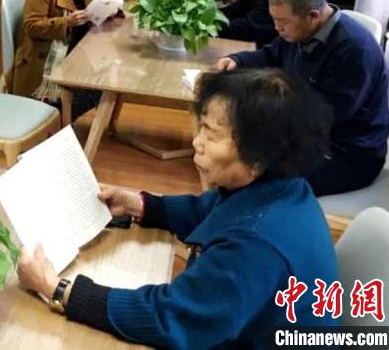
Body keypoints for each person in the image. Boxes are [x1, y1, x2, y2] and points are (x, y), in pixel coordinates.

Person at [17, 69, 338, 349]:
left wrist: (57, 289)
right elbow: (208, 210)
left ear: (258, 157)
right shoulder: (281, 187)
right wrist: (139, 205)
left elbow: (172, 317)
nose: (197, 141)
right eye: (201, 126)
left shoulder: (254, 246)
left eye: (211, 134)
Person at [217, 0, 389, 196]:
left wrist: (264, 114)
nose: (277, 28)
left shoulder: (356, 50)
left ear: (313, 16)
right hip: (308, 135)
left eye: (283, 22)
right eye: (274, 19)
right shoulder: (300, 32)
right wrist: (237, 60)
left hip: (346, 154)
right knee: (235, 152)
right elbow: (271, 55)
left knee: (248, 173)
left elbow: (327, 116)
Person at [8, 0, 118, 120]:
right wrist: (67, 22)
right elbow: (32, 26)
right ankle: (58, 122)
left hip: (75, 56)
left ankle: (61, 120)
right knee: (93, 89)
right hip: (44, 66)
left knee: (107, 82)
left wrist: (113, 8)